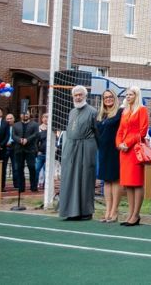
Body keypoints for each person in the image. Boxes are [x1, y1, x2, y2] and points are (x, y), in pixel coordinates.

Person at [59, 85, 98, 221]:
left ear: (85, 96)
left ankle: (86, 212)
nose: (78, 97)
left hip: (86, 147)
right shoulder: (71, 112)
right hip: (71, 148)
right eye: (75, 95)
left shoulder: (93, 112)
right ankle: (71, 211)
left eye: (80, 94)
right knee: (69, 178)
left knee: (85, 178)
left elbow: (97, 132)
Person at [116, 86, 149, 227]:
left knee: (137, 182)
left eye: (131, 94)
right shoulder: (125, 111)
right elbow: (120, 130)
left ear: (137, 96)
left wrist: (127, 143)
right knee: (128, 183)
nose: (128, 96)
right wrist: (119, 144)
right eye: (127, 94)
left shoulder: (142, 110)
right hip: (124, 151)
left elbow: (142, 131)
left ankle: (136, 215)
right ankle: (130, 214)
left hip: (135, 150)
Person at [97, 90, 123, 223]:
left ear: (115, 98)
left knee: (115, 180)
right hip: (103, 150)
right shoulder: (100, 115)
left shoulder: (120, 112)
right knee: (106, 180)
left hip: (115, 150)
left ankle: (114, 211)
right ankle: (107, 210)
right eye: (105, 97)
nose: (108, 99)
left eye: (110, 96)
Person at [12, 112, 39, 192]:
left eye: (27, 114)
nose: (25, 115)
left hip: (30, 149)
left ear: (29, 115)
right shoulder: (15, 125)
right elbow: (13, 135)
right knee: (19, 168)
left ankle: (33, 186)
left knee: (32, 167)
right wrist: (20, 140)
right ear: (20, 115)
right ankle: (21, 187)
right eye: (24, 114)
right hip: (19, 149)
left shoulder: (35, 124)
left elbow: (36, 134)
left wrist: (27, 140)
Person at [36, 113, 49, 190]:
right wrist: (37, 150)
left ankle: (45, 185)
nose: (45, 119)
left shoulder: (52, 128)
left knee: (46, 170)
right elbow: (36, 142)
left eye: (47, 117)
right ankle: (35, 184)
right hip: (40, 153)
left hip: (49, 153)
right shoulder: (38, 129)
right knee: (37, 169)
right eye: (44, 117)